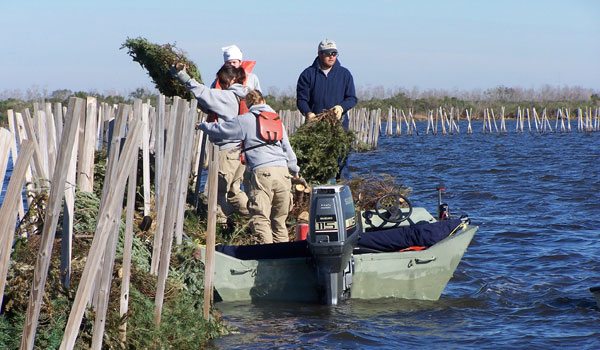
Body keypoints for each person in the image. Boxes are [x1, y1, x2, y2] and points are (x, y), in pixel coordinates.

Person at [196, 90, 300, 244]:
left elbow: (222, 130)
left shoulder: (245, 120)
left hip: (262, 174)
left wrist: (203, 126)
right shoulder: (277, 119)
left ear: (248, 104)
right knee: (279, 221)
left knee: (261, 218)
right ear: (263, 100)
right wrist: (295, 171)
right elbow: (288, 149)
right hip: (283, 173)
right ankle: (282, 257)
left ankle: (265, 259)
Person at [172, 63, 250, 223]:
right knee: (234, 191)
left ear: (233, 79)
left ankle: (221, 225)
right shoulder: (242, 96)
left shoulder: (227, 97)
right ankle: (255, 218)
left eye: (222, 80)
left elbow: (203, 93)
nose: (221, 84)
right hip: (240, 151)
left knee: (219, 191)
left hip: (227, 152)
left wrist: (184, 77)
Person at [296, 39, 357, 130]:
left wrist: (341, 108)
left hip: (339, 127)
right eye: (328, 53)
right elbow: (301, 100)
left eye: (334, 53)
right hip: (315, 126)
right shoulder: (307, 74)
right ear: (319, 54)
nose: (331, 56)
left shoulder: (345, 74)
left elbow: (352, 98)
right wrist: (308, 113)